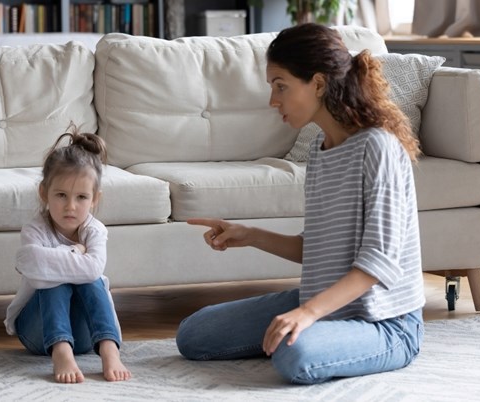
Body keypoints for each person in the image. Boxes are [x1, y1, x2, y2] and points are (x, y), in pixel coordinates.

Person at [175, 23, 425, 385]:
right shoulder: (320, 152)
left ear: (319, 84)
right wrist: (249, 234)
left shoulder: (378, 148)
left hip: (386, 324)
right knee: (194, 334)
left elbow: (378, 264)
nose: (273, 100)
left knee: (296, 354)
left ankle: (318, 335)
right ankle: (317, 331)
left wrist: (306, 313)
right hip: (330, 307)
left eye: (281, 86)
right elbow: (317, 249)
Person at [4, 127, 131, 384]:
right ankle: (61, 351)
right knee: (54, 281)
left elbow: (93, 269)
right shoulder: (35, 230)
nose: (70, 206)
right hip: (38, 335)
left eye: (81, 197)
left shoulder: (95, 230)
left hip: (85, 337)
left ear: (95, 199)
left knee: (92, 280)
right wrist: (76, 252)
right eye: (61, 195)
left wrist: (55, 260)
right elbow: (27, 263)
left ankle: (109, 349)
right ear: (44, 193)